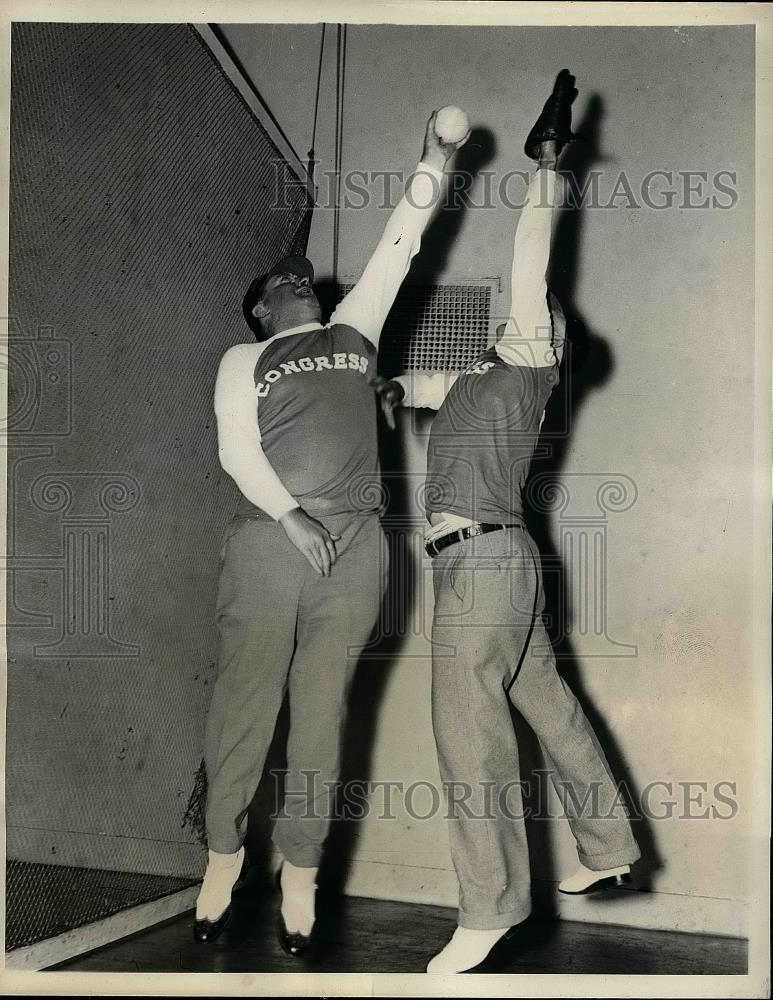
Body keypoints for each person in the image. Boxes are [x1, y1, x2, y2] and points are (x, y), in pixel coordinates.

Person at [375, 70, 641, 975]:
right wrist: (377, 383)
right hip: (502, 567)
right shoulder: (476, 381)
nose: (525, 309)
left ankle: (488, 909)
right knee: (548, 707)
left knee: (466, 729)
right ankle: (610, 851)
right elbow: (410, 389)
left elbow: (533, 249)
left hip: (481, 565)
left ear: (548, 340)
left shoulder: (527, 360)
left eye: (539, 315)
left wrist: (547, 159)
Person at [193, 113, 466, 955]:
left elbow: (399, 242)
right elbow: (237, 451)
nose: (298, 282)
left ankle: (300, 877)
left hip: (356, 551)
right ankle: (220, 861)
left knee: (322, 716)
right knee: (246, 706)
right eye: (282, 283)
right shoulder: (245, 362)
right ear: (259, 310)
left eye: (302, 279)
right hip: (271, 540)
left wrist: (436, 158)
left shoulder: (356, 331)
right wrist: (292, 517)